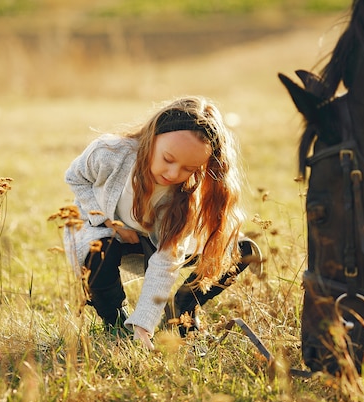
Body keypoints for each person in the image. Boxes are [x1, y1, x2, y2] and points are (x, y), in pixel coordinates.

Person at [63, 96, 260, 349]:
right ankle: (115, 321)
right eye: (168, 159)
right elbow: (76, 177)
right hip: (107, 232)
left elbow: (165, 263)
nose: (173, 174)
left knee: (236, 252)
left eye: (188, 169)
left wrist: (143, 325)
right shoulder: (110, 153)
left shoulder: (183, 198)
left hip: (153, 241)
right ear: (152, 136)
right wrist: (107, 221)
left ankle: (185, 305)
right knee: (97, 255)